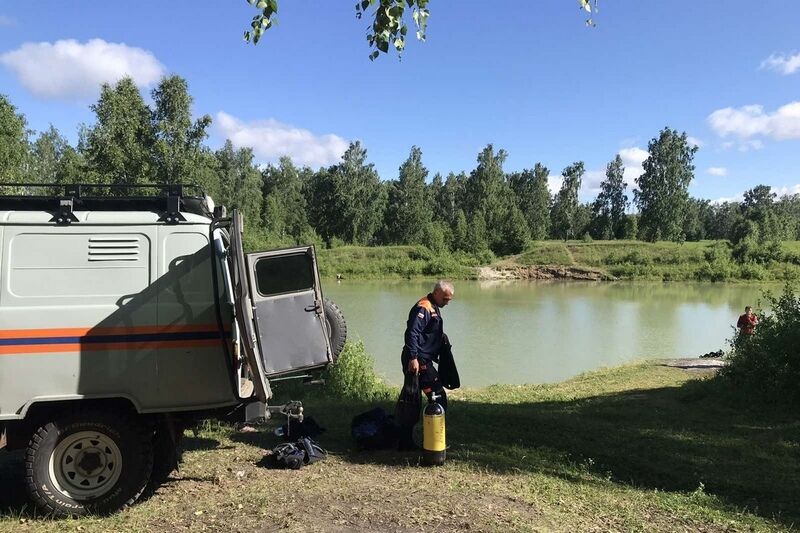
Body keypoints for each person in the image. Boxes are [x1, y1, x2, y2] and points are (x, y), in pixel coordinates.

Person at [398, 280, 454, 451]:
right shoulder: (424, 307)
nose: (447, 302)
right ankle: (432, 440)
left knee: (412, 398)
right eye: (445, 299)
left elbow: (426, 331)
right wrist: (413, 358)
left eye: (449, 299)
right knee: (435, 396)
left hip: (423, 359)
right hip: (418, 361)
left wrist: (440, 337)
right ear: (436, 293)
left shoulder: (433, 306)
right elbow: (412, 333)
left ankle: (411, 439)